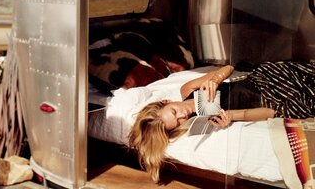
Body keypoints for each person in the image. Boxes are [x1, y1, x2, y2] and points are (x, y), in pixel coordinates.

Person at [128, 61, 315, 182]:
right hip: (267, 102)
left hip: (262, 80)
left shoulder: (187, 90)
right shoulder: (199, 123)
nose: (182, 115)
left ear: (167, 102)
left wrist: (214, 80)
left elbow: (230, 67)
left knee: (303, 79)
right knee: (303, 104)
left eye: (174, 111)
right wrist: (232, 117)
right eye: (177, 121)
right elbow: (269, 113)